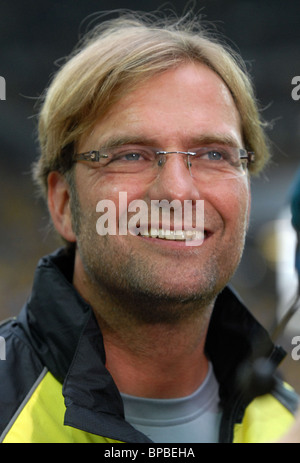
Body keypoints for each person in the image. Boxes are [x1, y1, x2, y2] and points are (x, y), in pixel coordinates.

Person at [0, 11, 298, 444]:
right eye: (131, 155)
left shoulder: (286, 423)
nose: (178, 193)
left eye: (214, 155)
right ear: (63, 204)